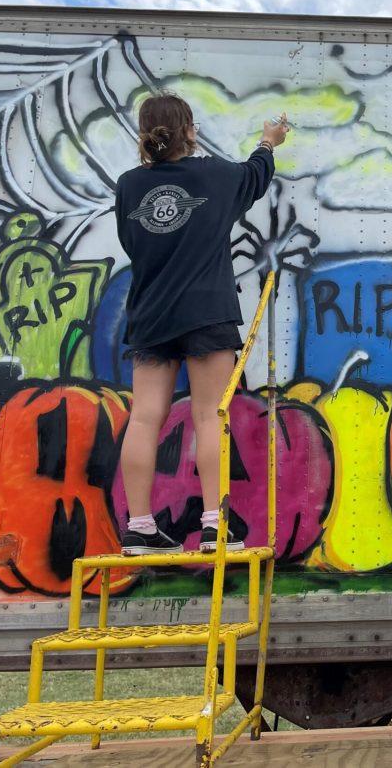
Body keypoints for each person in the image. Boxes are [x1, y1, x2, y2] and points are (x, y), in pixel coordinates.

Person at [114, 92, 290, 554]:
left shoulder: (129, 187)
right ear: (190, 131)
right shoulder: (214, 175)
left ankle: (139, 527)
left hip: (151, 314)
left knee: (145, 418)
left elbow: (133, 243)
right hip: (206, 312)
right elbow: (254, 177)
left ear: (144, 134)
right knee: (210, 416)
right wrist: (269, 142)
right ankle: (215, 525)